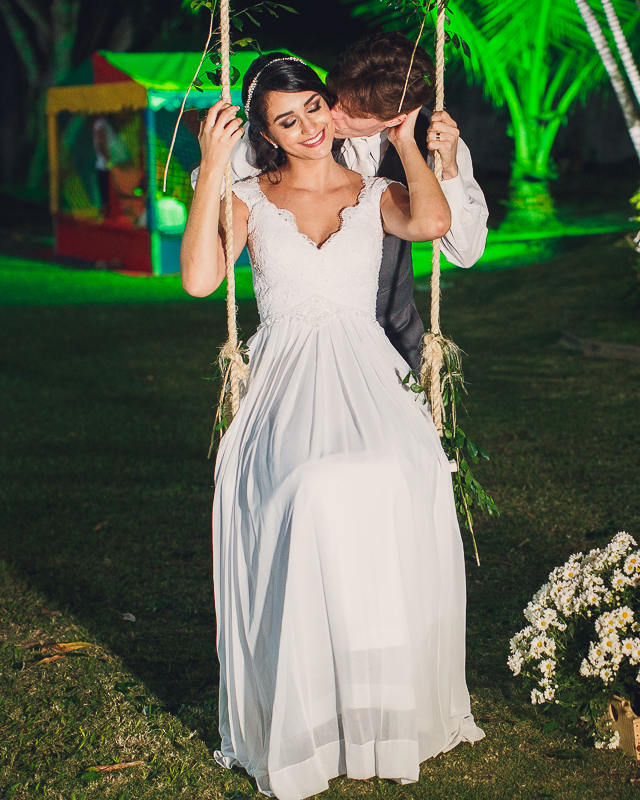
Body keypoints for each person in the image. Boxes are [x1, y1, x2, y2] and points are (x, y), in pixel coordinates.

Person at [180, 53, 484, 798]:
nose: (311, 126)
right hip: (286, 373)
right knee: (312, 490)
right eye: (288, 119)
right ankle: (308, 705)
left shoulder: (375, 189)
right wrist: (212, 168)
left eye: (315, 106)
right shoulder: (248, 195)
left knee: (397, 474)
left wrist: (413, 142)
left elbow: (437, 222)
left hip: (366, 368)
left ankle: (380, 701)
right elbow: (198, 279)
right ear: (266, 133)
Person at [196, 33, 488, 371]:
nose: (330, 116)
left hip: (392, 338)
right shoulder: (297, 131)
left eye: (351, 113)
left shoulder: (434, 144)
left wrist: (447, 168)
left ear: (396, 118)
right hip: (297, 349)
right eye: (332, 98)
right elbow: (213, 186)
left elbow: (465, 252)